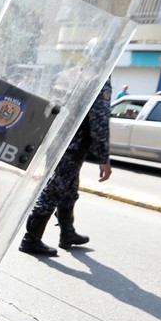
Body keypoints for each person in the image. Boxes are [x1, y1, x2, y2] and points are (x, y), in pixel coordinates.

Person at [19, 80, 112, 256]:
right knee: (53, 191)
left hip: (59, 140)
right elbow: (99, 121)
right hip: (72, 146)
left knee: (69, 188)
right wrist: (103, 157)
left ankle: (67, 232)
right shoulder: (100, 79)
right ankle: (31, 238)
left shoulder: (75, 73)